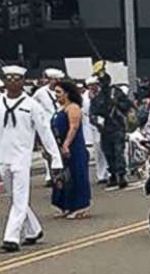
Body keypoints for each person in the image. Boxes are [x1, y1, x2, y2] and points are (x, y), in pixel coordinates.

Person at [0, 65, 64, 252]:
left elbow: (45, 134)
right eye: (9, 78)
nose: (12, 82)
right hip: (3, 157)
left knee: (19, 199)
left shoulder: (32, 106)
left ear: (23, 82)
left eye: (17, 79)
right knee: (14, 197)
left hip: (21, 158)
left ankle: (11, 237)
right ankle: (33, 230)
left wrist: (56, 159)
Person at [50, 80, 92, 219]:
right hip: (59, 146)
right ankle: (65, 205)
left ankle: (80, 206)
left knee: (76, 175)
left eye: (59, 92)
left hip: (74, 147)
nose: (56, 95)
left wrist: (66, 144)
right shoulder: (59, 109)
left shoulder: (73, 107)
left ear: (67, 93)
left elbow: (73, 127)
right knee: (63, 177)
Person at [90, 74, 135, 190]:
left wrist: (117, 104)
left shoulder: (116, 92)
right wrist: (97, 122)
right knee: (108, 153)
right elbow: (93, 113)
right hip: (105, 129)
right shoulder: (97, 97)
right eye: (100, 81)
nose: (102, 84)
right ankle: (113, 174)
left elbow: (128, 105)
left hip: (117, 126)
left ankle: (121, 175)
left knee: (118, 151)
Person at [82, 76, 110, 184]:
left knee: (107, 148)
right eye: (91, 85)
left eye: (95, 85)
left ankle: (110, 172)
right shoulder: (84, 98)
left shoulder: (103, 95)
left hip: (105, 123)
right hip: (91, 125)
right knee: (98, 150)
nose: (93, 87)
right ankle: (101, 174)